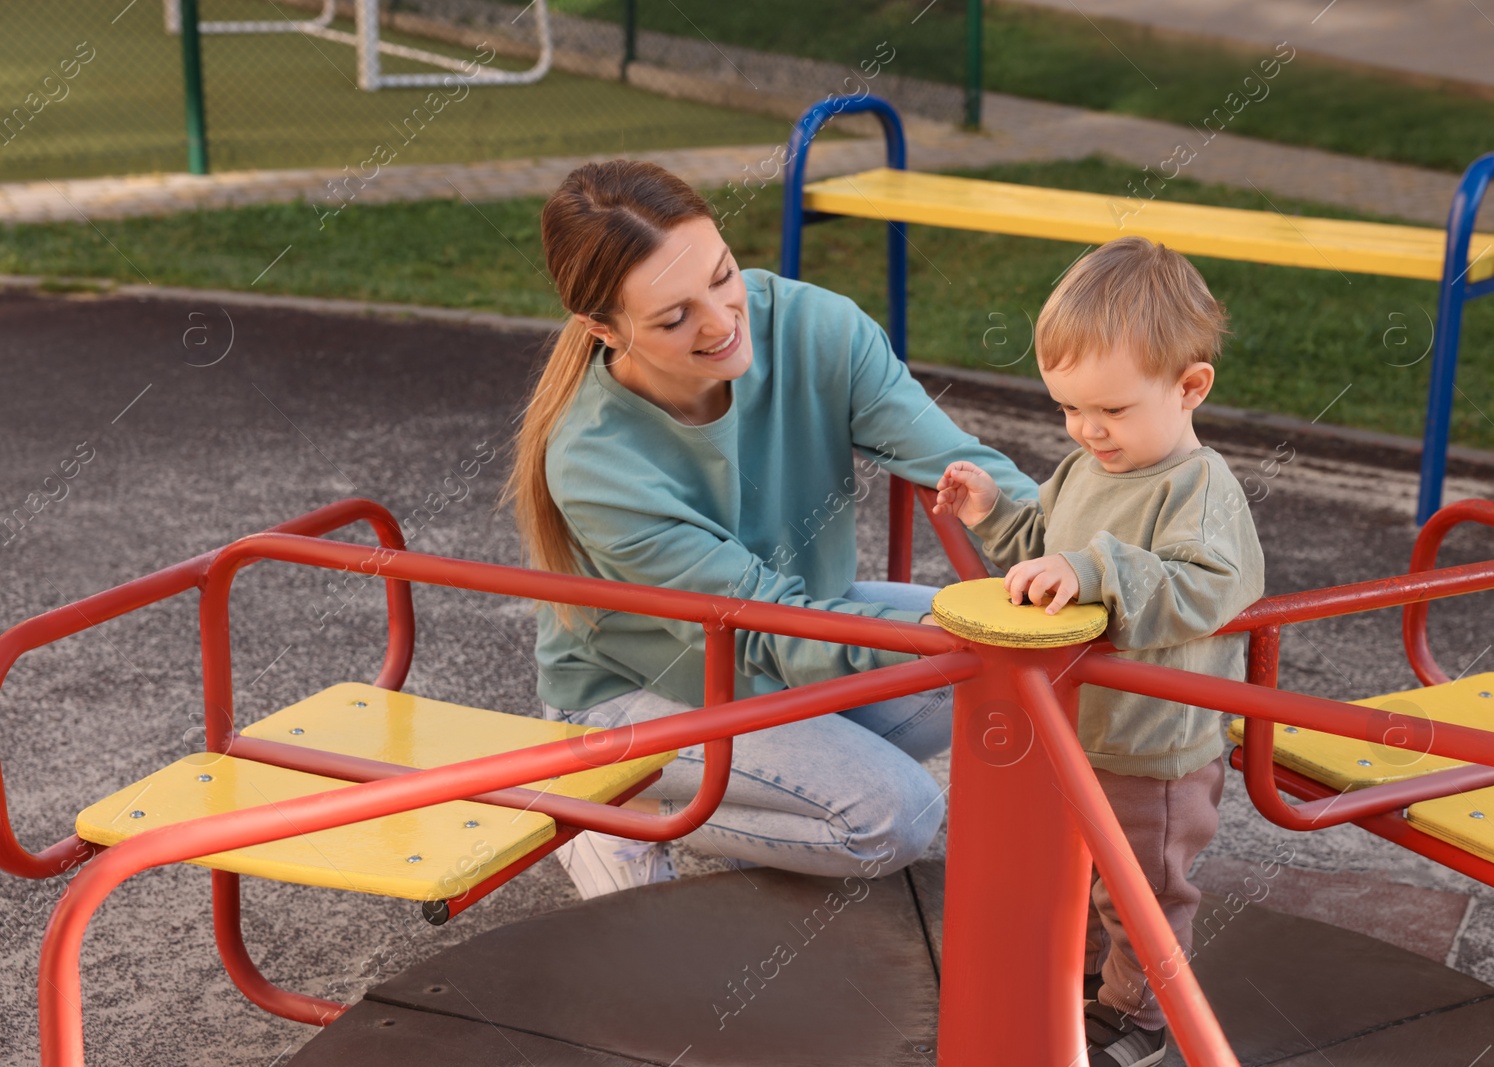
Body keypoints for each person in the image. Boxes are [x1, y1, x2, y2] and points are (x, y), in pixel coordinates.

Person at [498, 160, 1037, 900]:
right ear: (603, 328)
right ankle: (619, 801)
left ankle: (775, 793)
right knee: (894, 813)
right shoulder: (596, 460)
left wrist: (1092, 561)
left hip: (801, 633)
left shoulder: (818, 328)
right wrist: (935, 649)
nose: (722, 322)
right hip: (648, 691)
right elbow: (763, 629)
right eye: (673, 316)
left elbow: (965, 466)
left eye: (723, 275)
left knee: (1025, 661)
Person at [933, 236, 1264, 1067]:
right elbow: (1047, 544)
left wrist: (1088, 570)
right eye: (1069, 409)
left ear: (1189, 387)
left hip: (1156, 746)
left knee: (1143, 889)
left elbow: (1204, 587)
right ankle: (1080, 982)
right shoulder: (1089, 467)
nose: (1087, 429)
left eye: (1109, 411)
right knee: (1075, 872)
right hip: (1080, 727)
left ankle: (1144, 1013)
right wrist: (993, 513)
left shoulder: (1201, 490)